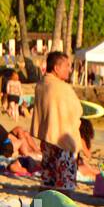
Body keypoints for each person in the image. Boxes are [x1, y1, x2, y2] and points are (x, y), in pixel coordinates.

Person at [30, 50, 82, 191]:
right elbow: (77, 111)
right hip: (62, 140)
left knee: (47, 181)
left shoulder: (41, 84)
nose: (69, 70)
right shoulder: (62, 87)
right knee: (65, 184)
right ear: (56, 68)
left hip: (47, 139)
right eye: (67, 66)